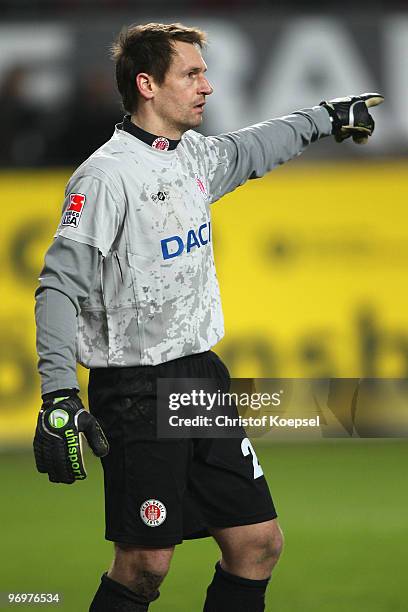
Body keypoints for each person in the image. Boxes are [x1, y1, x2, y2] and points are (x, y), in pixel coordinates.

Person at [33, 22, 383, 612]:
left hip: (199, 380)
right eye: (191, 74)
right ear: (147, 84)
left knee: (257, 544)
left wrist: (325, 115)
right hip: (137, 388)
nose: (208, 86)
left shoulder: (193, 155)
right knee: (144, 566)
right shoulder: (104, 177)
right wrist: (59, 395)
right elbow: (58, 286)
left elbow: (253, 147)